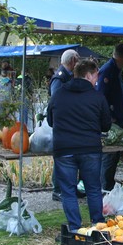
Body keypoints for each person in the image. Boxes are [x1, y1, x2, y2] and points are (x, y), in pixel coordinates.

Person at [47, 59, 111, 231]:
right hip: (90, 148)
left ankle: (75, 228)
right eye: (96, 75)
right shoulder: (97, 97)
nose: (97, 80)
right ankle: (97, 225)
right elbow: (106, 125)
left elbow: (50, 121)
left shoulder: (59, 94)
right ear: (88, 75)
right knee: (93, 189)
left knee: (68, 190)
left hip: (64, 149)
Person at [96, 43, 123, 191]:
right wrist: (109, 118)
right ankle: (105, 189)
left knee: (113, 156)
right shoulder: (108, 71)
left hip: (119, 121)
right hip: (111, 124)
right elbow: (100, 96)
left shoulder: (116, 70)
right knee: (109, 156)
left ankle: (107, 185)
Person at [49, 49, 78, 201]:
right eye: (77, 60)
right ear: (73, 60)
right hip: (63, 126)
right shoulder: (59, 79)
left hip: (69, 125)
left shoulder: (68, 76)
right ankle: (57, 189)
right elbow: (56, 102)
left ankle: (66, 187)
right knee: (61, 157)